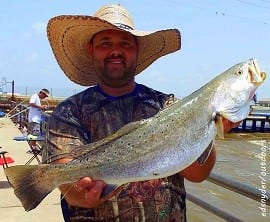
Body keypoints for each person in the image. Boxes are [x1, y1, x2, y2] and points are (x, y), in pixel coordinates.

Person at [43, 4, 239, 222]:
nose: (115, 50)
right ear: (91, 50)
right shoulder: (68, 113)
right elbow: (65, 179)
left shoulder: (168, 106)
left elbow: (197, 174)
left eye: (125, 43)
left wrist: (209, 128)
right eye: (105, 43)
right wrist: (83, 193)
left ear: (137, 50)